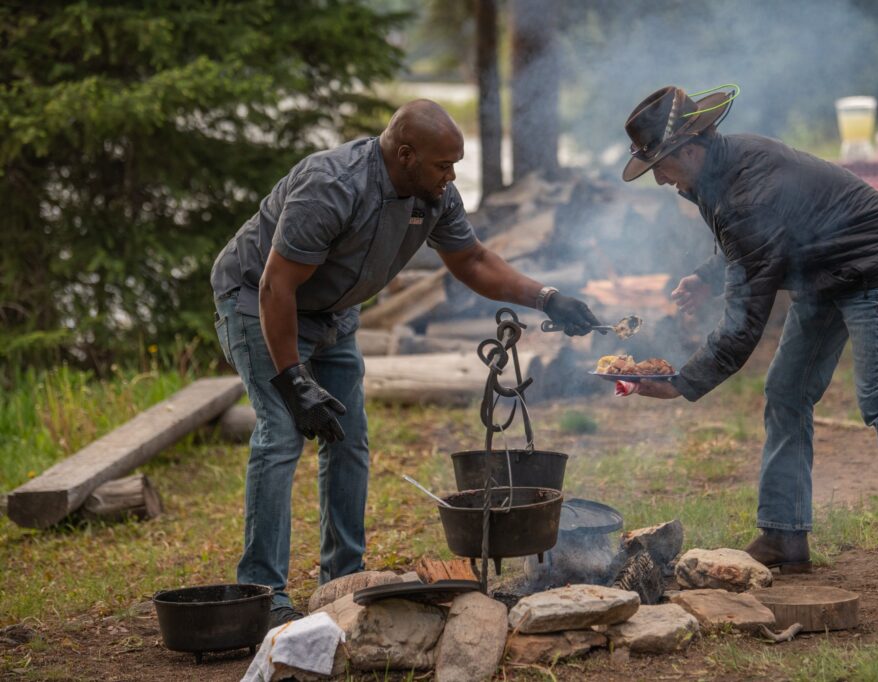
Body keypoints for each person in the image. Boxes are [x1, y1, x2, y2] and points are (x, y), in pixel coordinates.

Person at [210, 99, 599, 626]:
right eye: (444, 165)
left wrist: (547, 298)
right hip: (260, 304)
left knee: (348, 437)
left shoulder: (434, 194)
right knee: (282, 434)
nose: (453, 175)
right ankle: (262, 593)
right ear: (407, 155)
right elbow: (275, 285)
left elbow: (474, 261)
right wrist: (292, 379)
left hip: (335, 313)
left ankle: (343, 578)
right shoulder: (332, 186)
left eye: (456, 164)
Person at [621, 85, 878, 601]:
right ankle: (785, 535)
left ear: (689, 149)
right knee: (786, 392)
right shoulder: (717, 173)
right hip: (822, 273)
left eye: (659, 164)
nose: (658, 177)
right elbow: (758, 242)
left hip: (875, 265)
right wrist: (706, 275)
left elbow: (743, 324)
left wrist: (680, 384)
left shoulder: (746, 188)